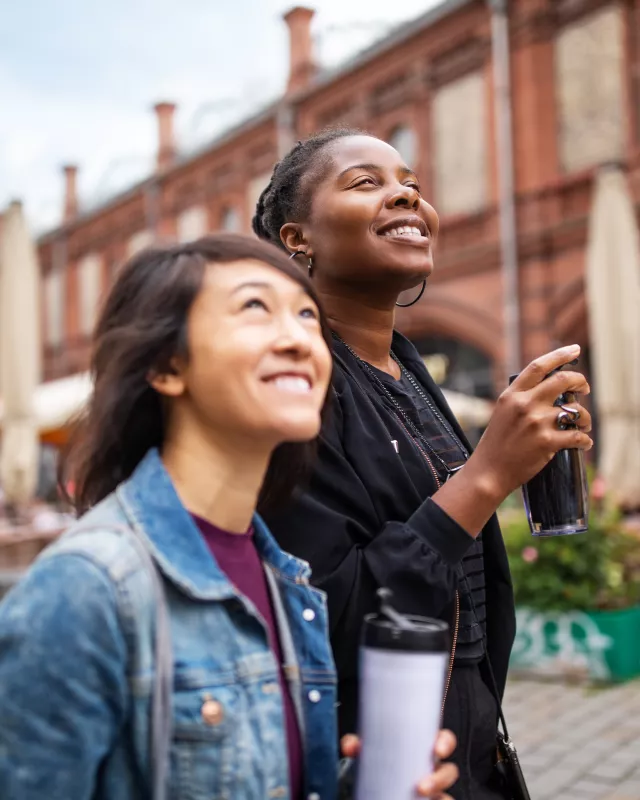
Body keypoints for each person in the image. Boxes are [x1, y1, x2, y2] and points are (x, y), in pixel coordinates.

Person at [0, 233, 458, 800]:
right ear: (167, 366)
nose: (298, 339)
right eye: (255, 308)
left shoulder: (286, 578)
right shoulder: (87, 589)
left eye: (307, 316)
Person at [253, 130, 593, 800]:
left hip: (468, 744)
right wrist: (487, 475)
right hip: (374, 760)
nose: (406, 193)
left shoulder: (407, 367)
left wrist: (515, 455)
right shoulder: (297, 380)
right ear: (299, 239)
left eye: (409, 181)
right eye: (365, 182)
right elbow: (328, 610)